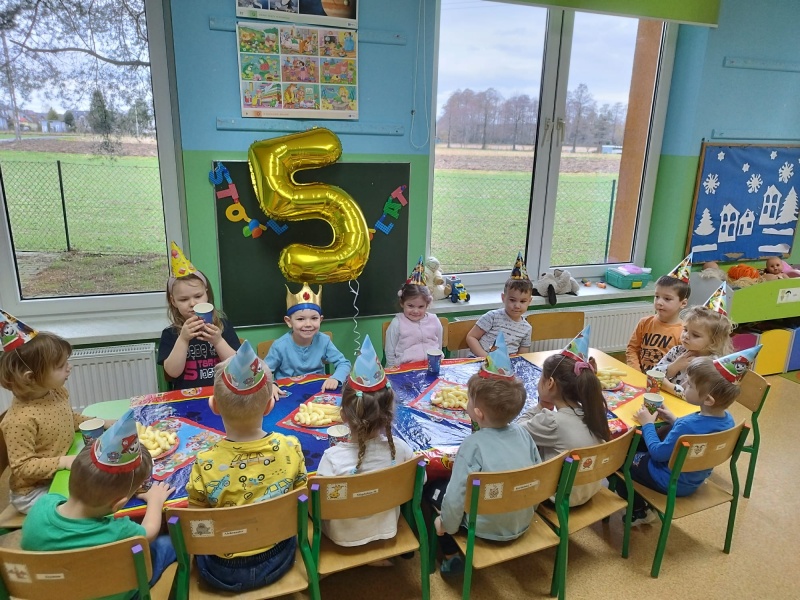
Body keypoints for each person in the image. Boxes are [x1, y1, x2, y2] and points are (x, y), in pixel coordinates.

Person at [186, 341, 307, 592]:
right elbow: (300, 497)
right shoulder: (291, 447)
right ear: (270, 405)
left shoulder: (205, 462)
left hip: (222, 571)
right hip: (279, 557)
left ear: (214, 406)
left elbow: (196, 522)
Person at [21, 411, 177, 599]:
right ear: (118, 503)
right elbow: (149, 532)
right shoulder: (120, 531)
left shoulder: (42, 505)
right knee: (170, 541)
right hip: (118, 592)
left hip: (58, 590)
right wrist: (155, 500)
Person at [430, 333, 542, 576]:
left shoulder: (472, 445)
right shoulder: (524, 434)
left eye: (469, 400)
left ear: (478, 413)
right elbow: (537, 476)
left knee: (435, 489)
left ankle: (450, 555)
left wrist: (445, 525)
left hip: (481, 527)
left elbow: (455, 498)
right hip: (522, 519)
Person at [620, 348, 760, 526]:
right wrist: (673, 419)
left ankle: (639, 511)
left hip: (667, 480)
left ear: (708, 400)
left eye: (691, 385)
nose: (684, 384)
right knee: (642, 443)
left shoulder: (687, 425)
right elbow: (697, 432)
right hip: (693, 479)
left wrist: (647, 423)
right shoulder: (728, 421)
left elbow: (657, 453)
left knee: (620, 458)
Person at [0, 311, 113, 513]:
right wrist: (63, 462)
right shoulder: (19, 420)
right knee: (92, 503)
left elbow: (67, 418)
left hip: (61, 471)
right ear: (30, 377)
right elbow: (22, 467)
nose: (69, 368)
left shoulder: (54, 392)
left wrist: (101, 422)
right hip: (34, 492)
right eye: (61, 366)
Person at [316, 335, 414, 556]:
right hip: (387, 529)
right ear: (389, 414)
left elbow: (319, 505)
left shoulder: (332, 458)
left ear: (343, 416)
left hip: (342, 537)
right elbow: (419, 481)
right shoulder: (401, 449)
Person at [518, 326, 611, 506]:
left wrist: (541, 406)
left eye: (541, 378)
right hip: (590, 490)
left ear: (550, 383)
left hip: (560, 498)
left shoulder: (551, 421)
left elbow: (518, 431)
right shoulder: (591, 412)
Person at [158, 242, 240, 390]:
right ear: (173, 301)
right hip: (187, 397)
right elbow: (172, 372)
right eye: (184, 299)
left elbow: (237, 366)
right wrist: (183, 339)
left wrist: (218, 341)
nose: (192, 303)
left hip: (223, 395)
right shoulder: (170, 334)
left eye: (198, 296)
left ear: (206, 294)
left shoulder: (223, 326)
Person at [266, 283, 351, 402]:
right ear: (289, 321)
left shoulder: (324, 340)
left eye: (314, 318)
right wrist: (271, 385)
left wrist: (336, 378)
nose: (308, 324)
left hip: (318, 391)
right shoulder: (279, 346)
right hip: (287, 394)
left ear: (320, 319)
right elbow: (263, 373)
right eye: (300, 319)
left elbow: (344, 363)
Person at [626, 253, 693, 372]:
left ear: (683, 303)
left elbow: (681, 364)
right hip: (640, 376)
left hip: (665, 379)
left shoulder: (683, 332)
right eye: (657, 296)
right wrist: (636, 372)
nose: (659, 302)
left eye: (667, 299)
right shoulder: (645, 322)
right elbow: (632, 349)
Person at [652, 305, 733, 399]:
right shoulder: (677, 351)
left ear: (713, 342)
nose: (686, 335)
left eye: (695, 335)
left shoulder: (712, 366)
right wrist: (674, 366)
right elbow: (652, 374)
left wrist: (668, 386)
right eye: (685, 329)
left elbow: (697, 397)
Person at [466, 254, 533, 357]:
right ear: (503, 298)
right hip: (479, 359)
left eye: (523, 301)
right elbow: (471, 337)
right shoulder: (492, 316)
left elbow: (522, 356)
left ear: (529, 301)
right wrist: (486, 358)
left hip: (505, 364)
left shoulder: (526, 328)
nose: (517, 305)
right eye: (512, 300)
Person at [385, 258, 444, 368]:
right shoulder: (397, 323)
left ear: (427, 305)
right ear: (402, 303)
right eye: (410, 306)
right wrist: (392, 371)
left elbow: (439, 347)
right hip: (406, 370)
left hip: (431, 367)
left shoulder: (434, 320)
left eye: (421, 307)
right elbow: (390, 351)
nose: (416, 311)